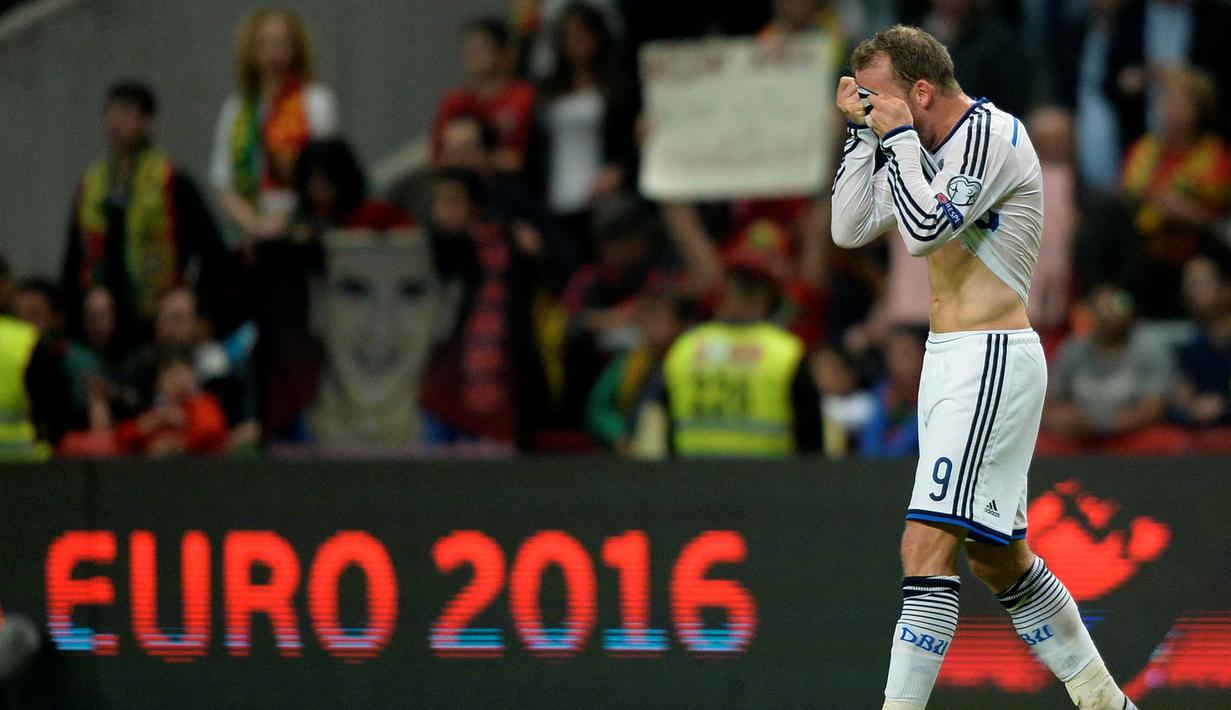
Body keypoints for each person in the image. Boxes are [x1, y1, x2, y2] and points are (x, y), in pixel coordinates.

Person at [830, 26, 1137, 709]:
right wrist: (860, 138)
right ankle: (1104, 701)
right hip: (950, 361)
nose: (870, 108)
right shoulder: (918, 144)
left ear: (919, 90)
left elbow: (920, 231)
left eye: (877, 97)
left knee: (924, 546)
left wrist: (897, 139)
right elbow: (848, 229)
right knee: (997, 557)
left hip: (991, 356)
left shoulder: (990, 136)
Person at [62, 82, 229, 341]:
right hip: (103, 323)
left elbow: (214, 251)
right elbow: (73, 260)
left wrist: (192, 297)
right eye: (112, 113)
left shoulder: (171, 181)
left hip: (156, 319)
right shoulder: (90, 185)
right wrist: (87, 297)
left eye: (127, 112)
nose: (117, 122)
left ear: (148, 122)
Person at [658, 249, 821, 457]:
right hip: (768, 484)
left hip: (694, 482)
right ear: (768, 297)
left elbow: (665, 430)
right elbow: (811, 442)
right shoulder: (785, 352)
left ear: (723, 293)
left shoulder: (686, 348)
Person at [210, 7, 338, 246]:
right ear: (251, 51)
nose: (273, 51)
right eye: (264, 43)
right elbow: (223, 183)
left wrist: (284, 223)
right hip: (248, 233)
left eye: (280, 42)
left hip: (301, 229)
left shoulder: (316, 102)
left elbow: (325, 173)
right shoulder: (236, 110)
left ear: (296, 48)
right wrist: (256, 226)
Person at [1121, 66, 1231, 317]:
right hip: (1144, 258)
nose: (1171, 109)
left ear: (1200, 108)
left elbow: (1218, 218)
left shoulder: (1216, 157)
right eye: (1167, 100)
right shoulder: (1143, 150)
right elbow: (1127, 196)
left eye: (1180, 102)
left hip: (1195, 254)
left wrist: (1186, 211)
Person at [535, 2, 635, 269]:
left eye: (582, 35)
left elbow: (630, 141)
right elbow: (538, 147)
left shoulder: (618, 86)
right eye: (568, 38)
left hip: (601, 195)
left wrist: (619, 171)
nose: (576, 44)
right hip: (557, 198)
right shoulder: (548, 89)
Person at [1042, 284, 1179, 450]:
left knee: (1166, 441)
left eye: (1116, 307)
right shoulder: (1072, 349)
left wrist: (1103, 426)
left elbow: (1154, 407)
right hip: (1079, 436)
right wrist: (1062, 419)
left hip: (1131, 435)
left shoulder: (1150, 348)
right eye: (1101, 309)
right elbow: (1049, 405)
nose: (1109, 315)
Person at [430, 18, 536, 176]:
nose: (473, 55)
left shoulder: (522, 96)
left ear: (503, 52)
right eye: (468, 49)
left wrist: (478, 160)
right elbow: (437, 159)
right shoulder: (455, 101)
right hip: (465, 185)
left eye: (481, 47)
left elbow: (519, 160)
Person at [115, 351, 228, 456]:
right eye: (170, 374)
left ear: (193, 376)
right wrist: (141, 429)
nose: (177, 380)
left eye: (181, 373)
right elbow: (121, 440)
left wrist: (184, 434)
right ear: (158, 384)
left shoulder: (203, 403)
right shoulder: (155, 413)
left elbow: (211, 432)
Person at [1173, 250, 1231, 426]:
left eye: (1198, 284)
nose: (1189, 292)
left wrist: (1225, 407)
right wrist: (1186, 407)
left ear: (1226, 289)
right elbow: (1177, 408)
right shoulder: (1193, 348)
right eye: (1187, 284)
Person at [858, 327, 924, 458]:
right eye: (896, 355)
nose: (903, 362)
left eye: (908, 354)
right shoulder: (878, 391)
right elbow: (870, 444)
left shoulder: (934, 393)